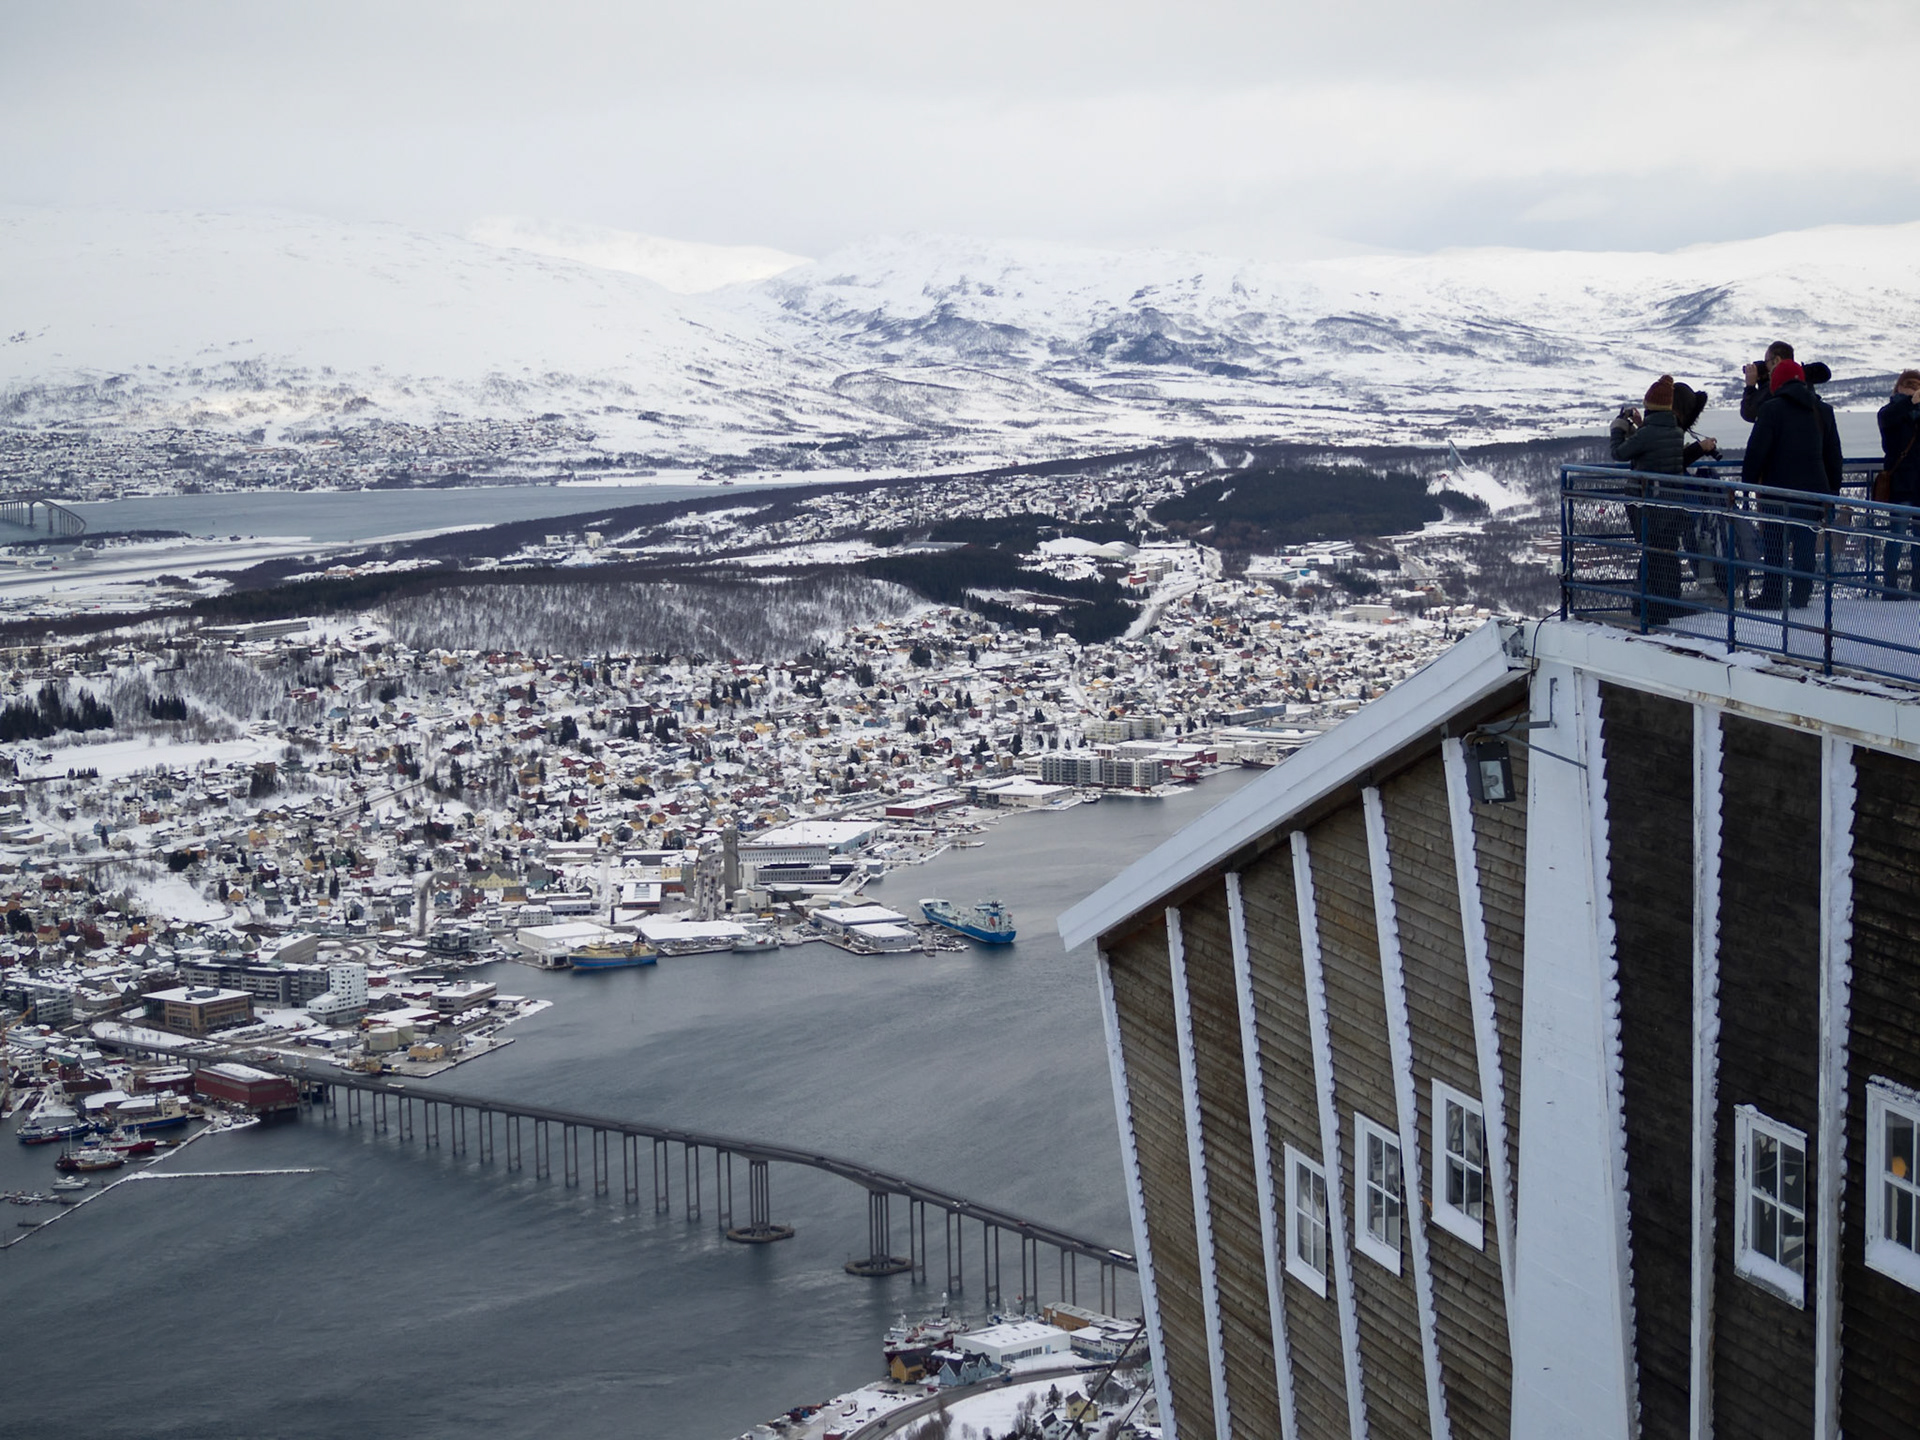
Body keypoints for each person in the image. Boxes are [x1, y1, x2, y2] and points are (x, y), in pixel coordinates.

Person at [1742, 356, 1843, 610]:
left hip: (1778, 492)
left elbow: (1757, 451)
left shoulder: (1772, 409)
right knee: (1805, 547)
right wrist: (1832, 491)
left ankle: (1774, 596)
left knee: (1775, 545)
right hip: (1814, 493)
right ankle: (1801, 596)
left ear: (1777, 383)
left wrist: (1748, 483)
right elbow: (1833, 455)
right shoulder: (1822, 410)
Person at [1611, 374, 1703, 623]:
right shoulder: (1674, 431)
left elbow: (1619, 453)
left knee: (1651, 553)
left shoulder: (1648, 433)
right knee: (1668, 552)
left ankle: (1645, 608)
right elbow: (1655, 445)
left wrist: (1618, 428)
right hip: (1671, 500)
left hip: (1646, 502)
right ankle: (1668, 603)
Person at [1879, 370, 1920, 593]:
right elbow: (1887, 426)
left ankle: (1918, 586)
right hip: (1901, 485)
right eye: (1909, 385)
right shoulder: (1890, 411)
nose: (1913, 389)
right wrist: (1907, 403)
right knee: (1896, 537)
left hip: (1917, 486)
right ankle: (1890, 588)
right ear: (1899, 387)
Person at [1740, 340, 1796, 423]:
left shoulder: (1777, 387)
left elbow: (1750, 413)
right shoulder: (1799, 381)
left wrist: (1750, 387)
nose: (1765, 366)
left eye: (1766, 362)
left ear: (1776, 360)